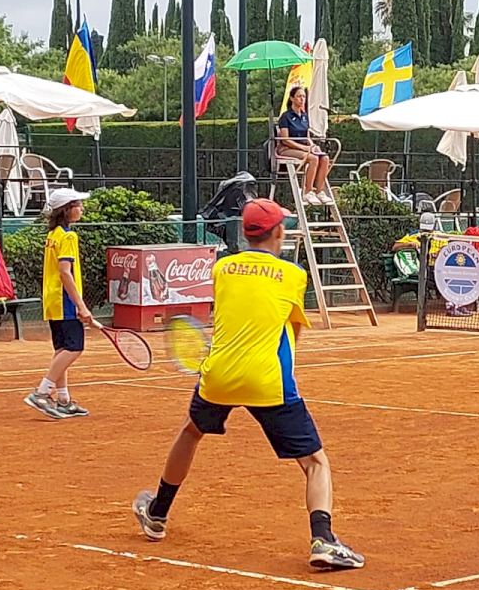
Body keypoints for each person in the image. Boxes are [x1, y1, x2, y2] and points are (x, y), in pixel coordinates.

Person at [132, 198, 364, 570]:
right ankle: (323, 539)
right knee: (315, 462)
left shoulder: (222, 268)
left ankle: (157, 513)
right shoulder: (294, 275)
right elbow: (293, 331)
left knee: (191, 432)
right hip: (267, 380)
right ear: (278, 232)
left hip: (218, 375)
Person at [24, 188, 93, 419]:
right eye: (77, 205)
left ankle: (63, 400)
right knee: (74, 348)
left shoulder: (53, 235)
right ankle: (42, 392)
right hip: (65, 302)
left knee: (62, 349)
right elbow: (65, 272)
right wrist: (81, 305)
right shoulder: (68, 237)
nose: (81, 209)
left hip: (53, 301)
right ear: (66, 210)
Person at [276, 87, 334, 207]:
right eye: (299, 96)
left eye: (303, 96)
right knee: (313, 158)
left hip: (303, 147)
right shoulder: (285, 117)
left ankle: (320, 191)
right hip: (287, 149)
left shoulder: (304, 116)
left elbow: (306, 136)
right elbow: (285, 140)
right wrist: (304, 148)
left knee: (325, 158)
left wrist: (313, 146)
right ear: (292, 98)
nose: (302, 99)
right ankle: (307, 191)